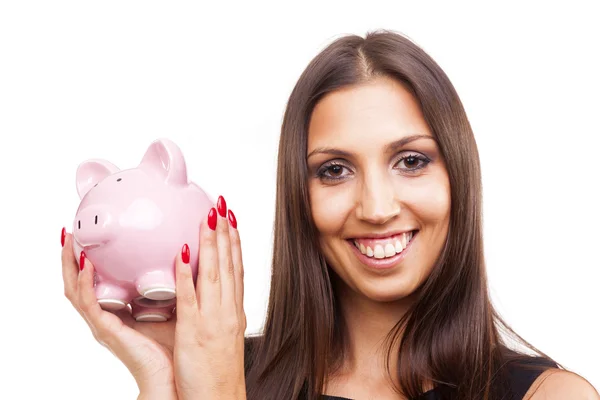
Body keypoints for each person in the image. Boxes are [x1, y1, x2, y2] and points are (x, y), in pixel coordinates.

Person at [61, 30, 599, 400]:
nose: (377, 207)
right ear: (300, 195)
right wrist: (162, 377)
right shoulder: (217, 373)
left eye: (411, 161)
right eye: (335, 170)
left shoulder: (551, 396)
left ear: (458, 176)